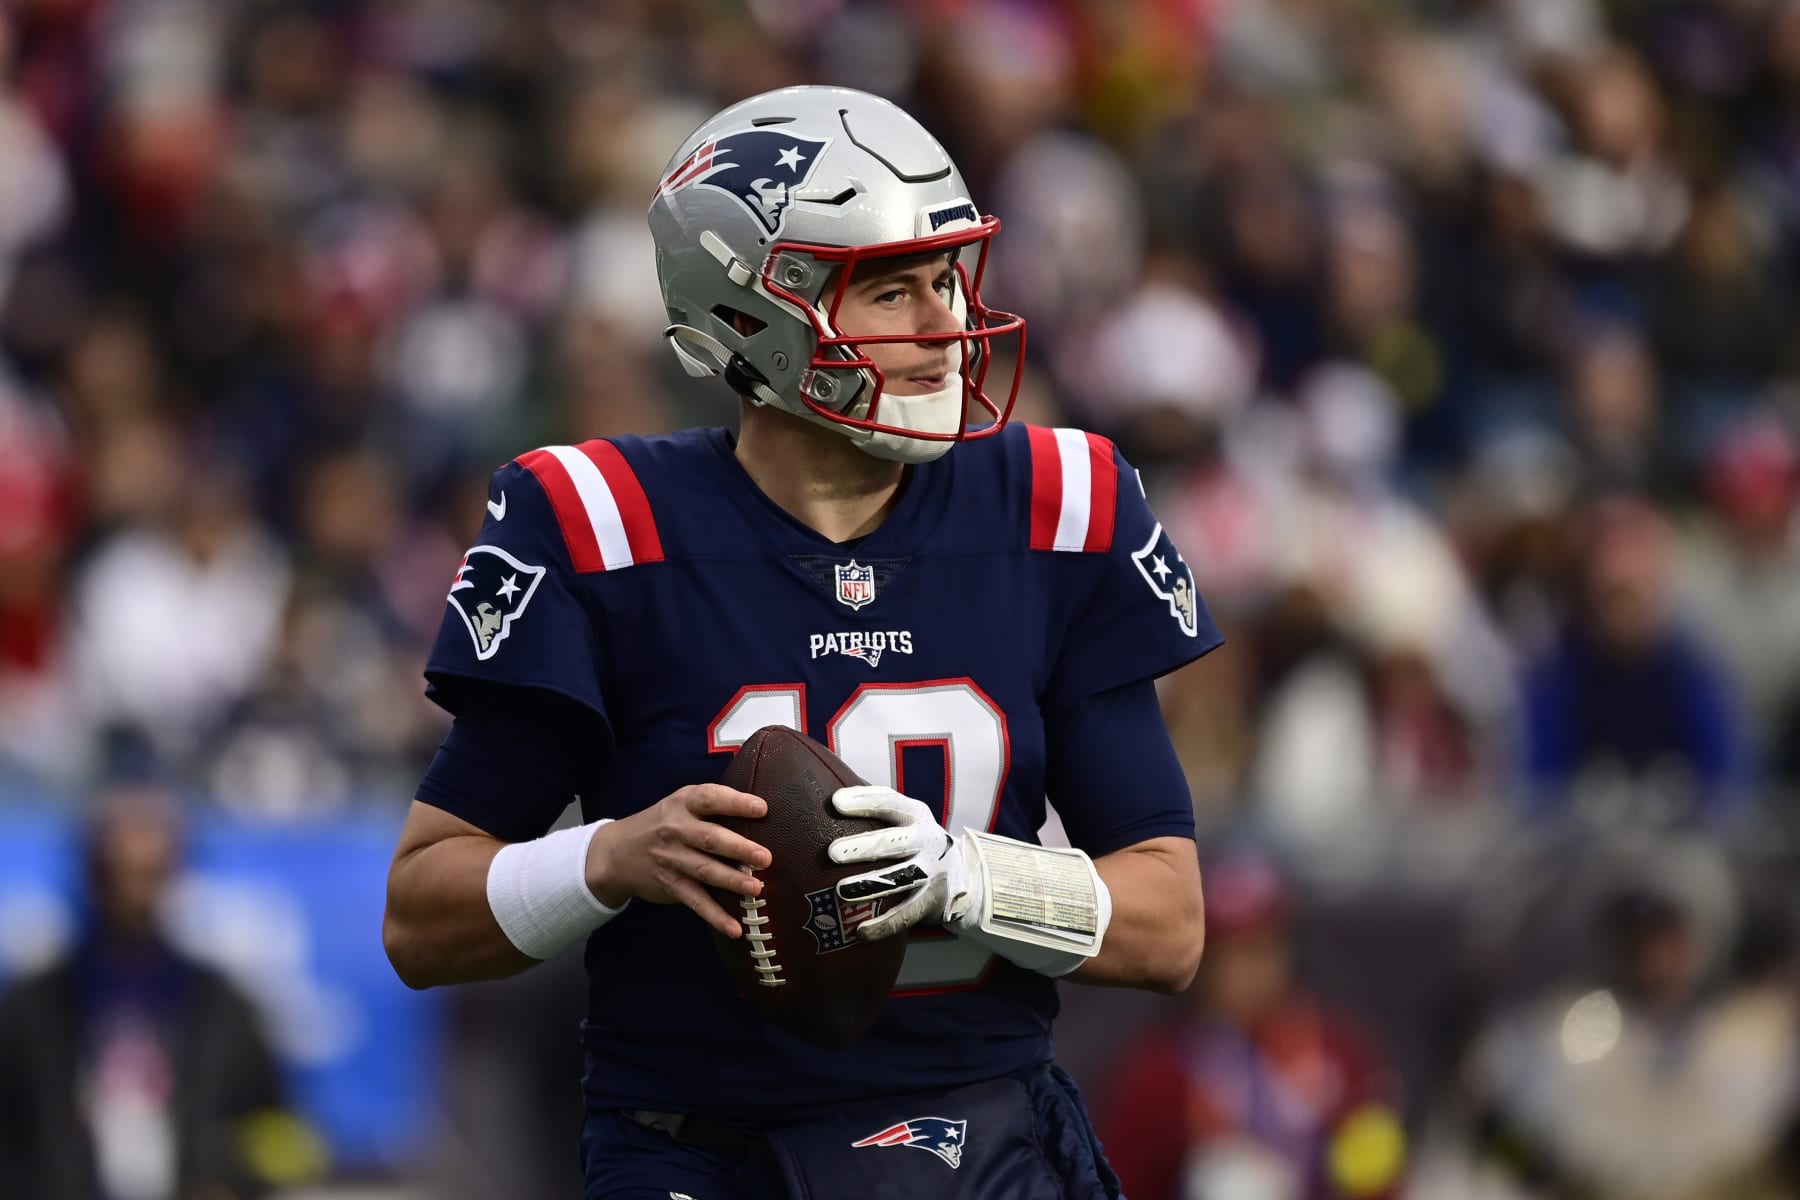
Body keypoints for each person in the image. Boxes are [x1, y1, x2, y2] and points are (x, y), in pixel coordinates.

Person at [382, 85, 1217, 1200]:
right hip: (699, 1148)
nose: (940, 328)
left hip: (977, 1137)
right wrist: (609, 859)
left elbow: (1169, 925)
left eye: (945, 279)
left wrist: (963, 877)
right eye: (887, 288)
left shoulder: (1056, 505)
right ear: (748, 313)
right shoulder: (601, 526)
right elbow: (420, 918)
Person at [0, 784, 313, 1200]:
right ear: (93, 877)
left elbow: (282, 1137)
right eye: (121, 875)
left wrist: (232, 1181)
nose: (138, 898)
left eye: (153, 875)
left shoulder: (222, 1008)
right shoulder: (34, 1009)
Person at [1095, 852, 1408, 1200]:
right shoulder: (1159, 1075)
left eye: (1260, 951)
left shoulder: (1340, 1051)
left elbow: (1382, 1178)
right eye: (1227, 956)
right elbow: (1122, 1185)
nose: (1246, 975)